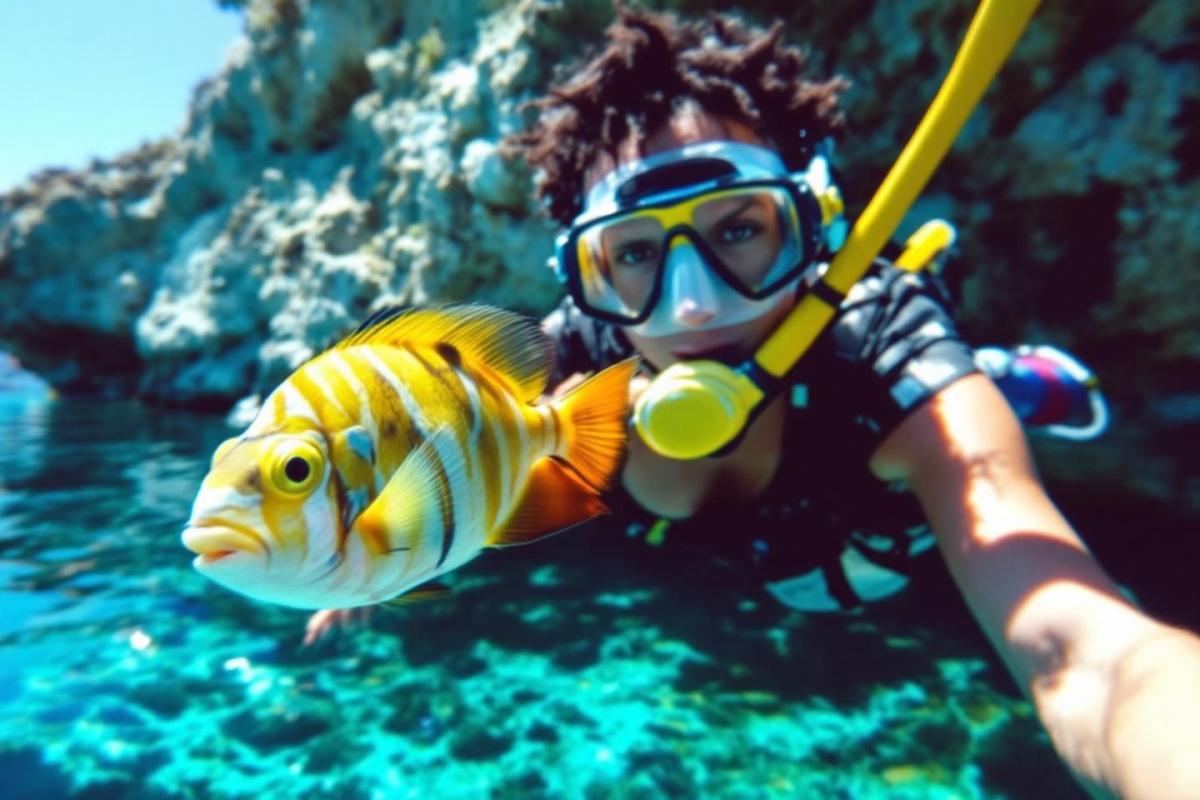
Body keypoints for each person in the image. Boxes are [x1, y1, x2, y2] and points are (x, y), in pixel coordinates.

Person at [310, 7, 1200, 797]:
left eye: (739, 229)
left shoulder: (888, 366)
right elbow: (422, 459)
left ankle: (1006, 380)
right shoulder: (573, 365)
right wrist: (375, 546)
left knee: (851, 540)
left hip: (853, 530)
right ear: (585, 279)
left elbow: (1090, 659)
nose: (695, 305)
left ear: (811, 228)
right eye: (633, 256)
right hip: (721, 540)